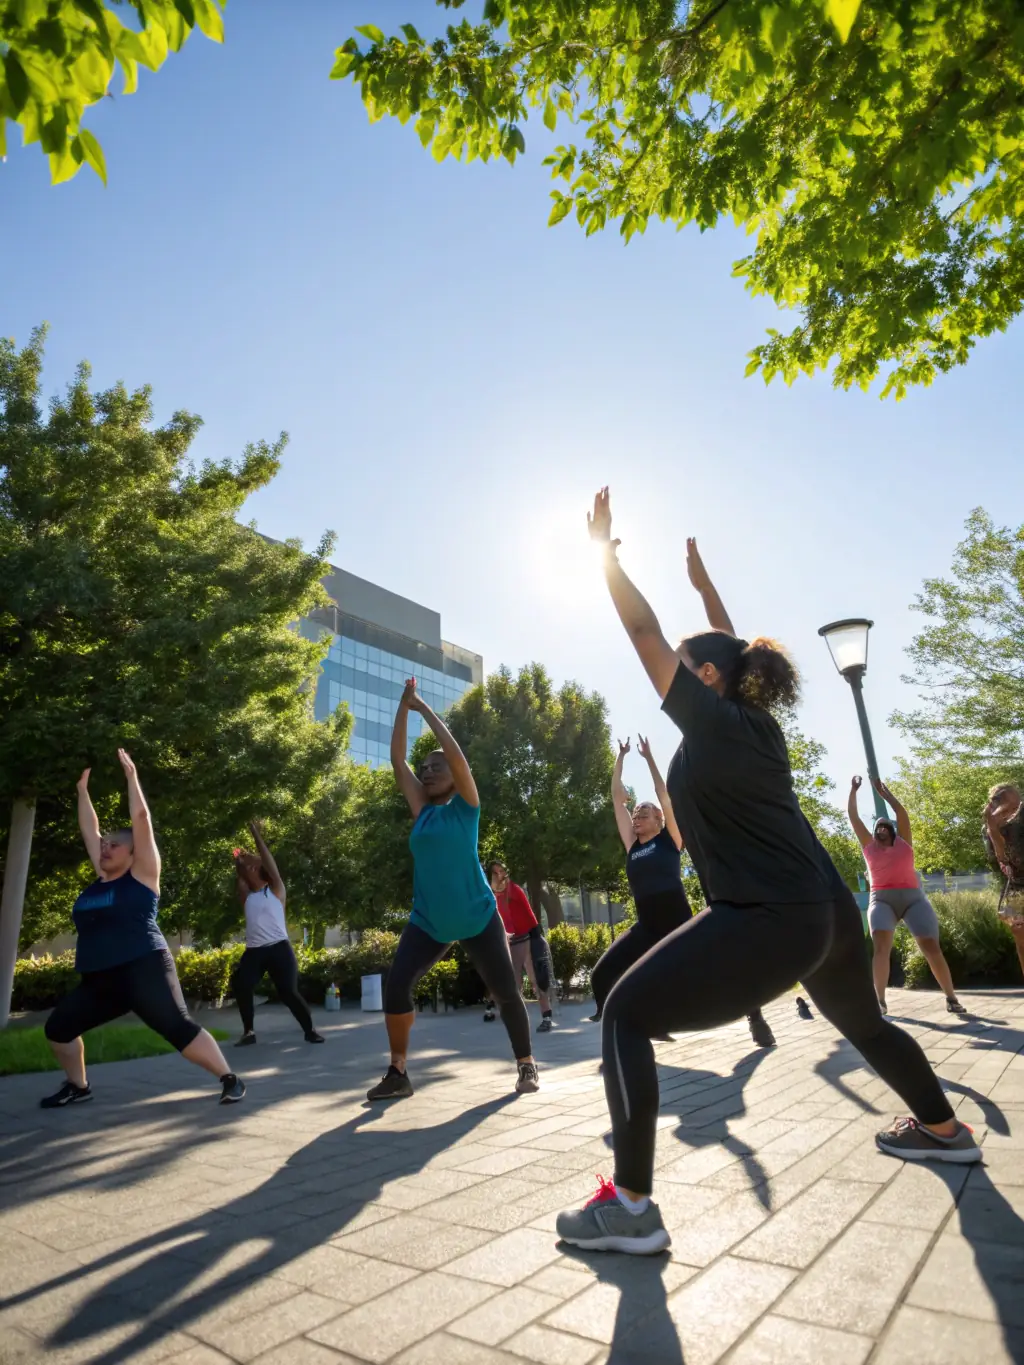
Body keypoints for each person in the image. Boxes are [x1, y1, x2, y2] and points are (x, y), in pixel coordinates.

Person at [555, 492, 978, 1257]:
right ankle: (945, 1129)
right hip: (824, 911)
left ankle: (630, 1206)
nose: (671, 676)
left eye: (688, 668)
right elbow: (731, 644)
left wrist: (606, 558)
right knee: (866, 1024)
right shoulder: (754, 721)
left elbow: (646, 633)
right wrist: (707, 588)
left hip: (767, 915)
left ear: (709, 676)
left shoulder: (713, 720)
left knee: (623, 1012)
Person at [40, 752, 245, 1108]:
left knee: (178, 1029)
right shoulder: (100, 880)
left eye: (114, 844)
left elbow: (141, 819)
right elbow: (89, 829)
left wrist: (131, 776)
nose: (105, 847)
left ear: (134, 853)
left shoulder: (143, 876)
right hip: (100, 978)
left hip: (143, 966)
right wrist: (81, 792)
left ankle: (230, 1079)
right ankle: (78, 1086)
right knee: (57, 1029)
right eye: (103, 845)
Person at [367, 679, 539, 1100]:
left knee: (506, 993)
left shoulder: (467, 809)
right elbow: (396, 759)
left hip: (477, 918)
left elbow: (459, 760)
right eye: (423, 768)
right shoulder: (421, 812)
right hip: (428, 921)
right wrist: (402, 709)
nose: (426, 771)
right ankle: (398, 1071)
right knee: (397, 985)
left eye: (434, 767)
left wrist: (424, 708)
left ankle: (526, 1065)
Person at [592, 735, 777, 1049]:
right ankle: (640, 1025)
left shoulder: (670, 840)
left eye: (644, 813)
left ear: (660, 821)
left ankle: (755, 1016)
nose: (636, 816)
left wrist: (649, 757)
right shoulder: (631, 845)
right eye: (635, 813)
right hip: (647, 927)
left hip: (678, 923)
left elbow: (663, 794)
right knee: (601, 975)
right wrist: (620, 759)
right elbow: (616, 798)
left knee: (718, 970)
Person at [847, 776, 966, 1015]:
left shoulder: (904, 843)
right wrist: (853, 791)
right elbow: (853, 817)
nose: (881, 828)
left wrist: (885, 793)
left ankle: (951, 999)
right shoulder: (869, 847)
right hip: (881, 900)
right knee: (882, 948)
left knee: (931, 947)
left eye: (885, 825)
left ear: (891, 830)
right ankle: (879, 1001)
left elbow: (901, 812)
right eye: (877, 827)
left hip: (913, 899)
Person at [230, 822, 325, 1047]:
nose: (250, 866)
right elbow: (240, 869)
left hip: (279, 949)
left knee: (288, 992)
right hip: (254, 952)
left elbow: (266, 859)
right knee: (242, 985)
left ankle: (310, 1030)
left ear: (258, 869)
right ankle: (249, 1033)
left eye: (252, 864)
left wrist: (255, 834)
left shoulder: (276, 890)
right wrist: (238, 857)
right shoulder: (246, 894)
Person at [485, 862, 555, 1032]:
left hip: (527, 940)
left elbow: (529, 914)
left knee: (536, 980)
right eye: (495, 873)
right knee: (511, 983)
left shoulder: (514, 890)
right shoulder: (492, 895)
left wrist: (537, 939)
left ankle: (546, 1017)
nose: (500, 875)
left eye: (502, 871)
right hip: (509, 943)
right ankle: (505, 1014)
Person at [983, 783, 1024, 978]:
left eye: (1017, 805)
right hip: (1017, 886)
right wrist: (993, 829)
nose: (1015, 810)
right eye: (1009, 806)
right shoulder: (990, 828)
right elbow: (1004, 859)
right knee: (1021, 936)